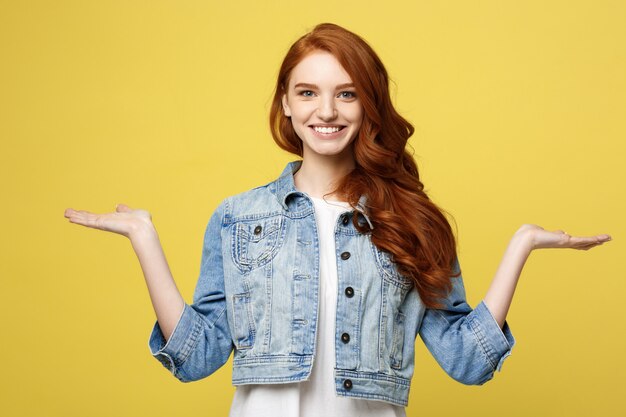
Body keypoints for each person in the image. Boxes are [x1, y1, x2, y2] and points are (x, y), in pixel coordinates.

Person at [64, 23, 611, 416]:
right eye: (308, 93)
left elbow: (468, 361)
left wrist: (520, 246)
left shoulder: (410, 222)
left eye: (346, 94)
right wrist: (145, 240)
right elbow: (197, 357)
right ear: (285, 103)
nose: (326, 111)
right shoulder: (238, 217)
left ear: (367, 104)